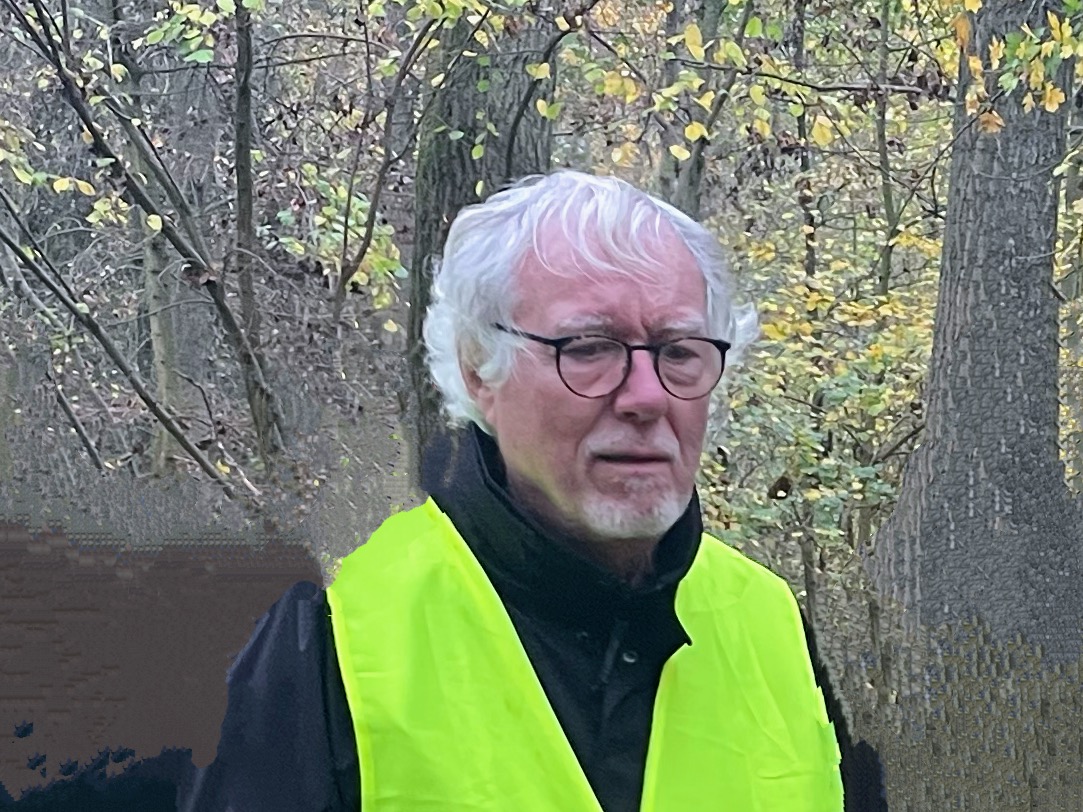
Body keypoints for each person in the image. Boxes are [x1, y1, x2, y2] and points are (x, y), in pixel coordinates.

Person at [179, 171, 886, 810]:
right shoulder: (334, 636)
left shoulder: (769, 624)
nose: (647, 396)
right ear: (478, 368)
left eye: (678, 352)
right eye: (589, 348)